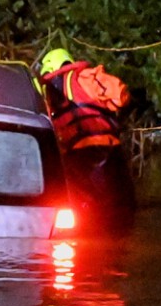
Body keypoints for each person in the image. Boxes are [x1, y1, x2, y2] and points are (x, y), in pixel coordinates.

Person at [37, 47, 135, 215]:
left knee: (88, 211)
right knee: (122, 207)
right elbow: (121, 96)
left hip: (75, 157)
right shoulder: (86, 77)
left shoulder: (45, 94)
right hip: (109, 151)